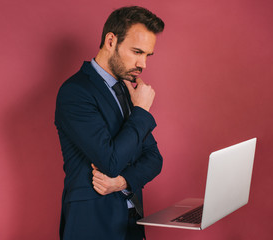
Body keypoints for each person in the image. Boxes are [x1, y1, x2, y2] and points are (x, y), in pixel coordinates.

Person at [55, 6, 164, 240]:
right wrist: (142, 111)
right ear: (111, 40)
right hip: (92, 225)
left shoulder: (127, 91)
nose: (143, 64)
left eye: (147, 55)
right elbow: (110, 162)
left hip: (131, 223)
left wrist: (123, 182)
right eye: (137, 51)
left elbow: (154, 159)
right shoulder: (75, 92)